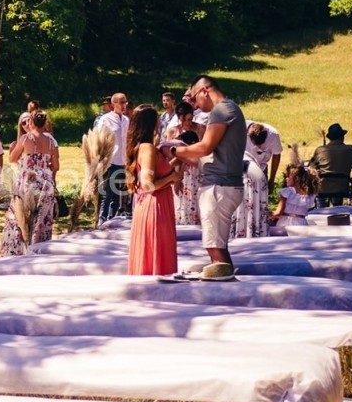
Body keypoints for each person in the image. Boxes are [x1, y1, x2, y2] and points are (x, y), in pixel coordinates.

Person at [168, 76, 246, 273]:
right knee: (217, 245)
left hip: (219, 187)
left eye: (193, 99)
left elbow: (204, 147)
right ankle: (226, 283)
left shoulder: (221, 110)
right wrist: (182, 154)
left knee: (214, 247)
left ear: (204, 90)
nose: (193, 106)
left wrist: (174, 150)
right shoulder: (228, 109)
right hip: (222, 184)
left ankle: (227, 291)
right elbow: (204, 157)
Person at [128, 104, 179, 275]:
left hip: (153, 204)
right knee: (158, 252)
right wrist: (172, 178)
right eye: (157, 119)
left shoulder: (141, 147)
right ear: (151, 123)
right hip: (156, 207)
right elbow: (148, 184)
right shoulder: (148, 148)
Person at [0, 111, 59, 256]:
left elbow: (12, 159)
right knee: (41, 219)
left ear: (31, 123)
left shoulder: (26, 138)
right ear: (45, 123)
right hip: (45, 182)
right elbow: (56, 166)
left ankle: (18, 250)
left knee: (19, 216)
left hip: (28, 180)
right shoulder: (51, 141)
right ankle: (38, 251)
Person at [94, 92, 131, 221]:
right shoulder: (105, 119)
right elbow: (98, 139)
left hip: (123, 161)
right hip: (110, 161)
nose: (123, 105)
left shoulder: (126, 120)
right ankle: (102, 220)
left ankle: (112, 220)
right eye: (120, 102)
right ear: (113, 104)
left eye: (125, 102)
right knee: (107, 194)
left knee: (117, 194)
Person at [311, 123, 352, 206]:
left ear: (329, 138)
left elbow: (312, 167)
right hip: (341, 187)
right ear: (342, 137)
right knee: (337, 200)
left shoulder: (320, 150)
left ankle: (320, 209)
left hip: (322, 187)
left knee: (320, 198)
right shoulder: (349, 150)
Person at [269, 162, 320, 235]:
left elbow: (278, 212)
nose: (286, 178)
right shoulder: (309, 195)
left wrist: (268, 216)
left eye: (288, 176)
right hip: (302, 223)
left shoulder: (287, 192)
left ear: (296, 179)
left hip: (286, 223)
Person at [246, 122, 283, 188]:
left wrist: (272, 179)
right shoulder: (240, 131)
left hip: (261, 167)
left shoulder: (273, 136)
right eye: (256, 144)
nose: (259, 147)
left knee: (262, 193)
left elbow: (276, 155)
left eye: (261, 143)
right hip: (243, 167)